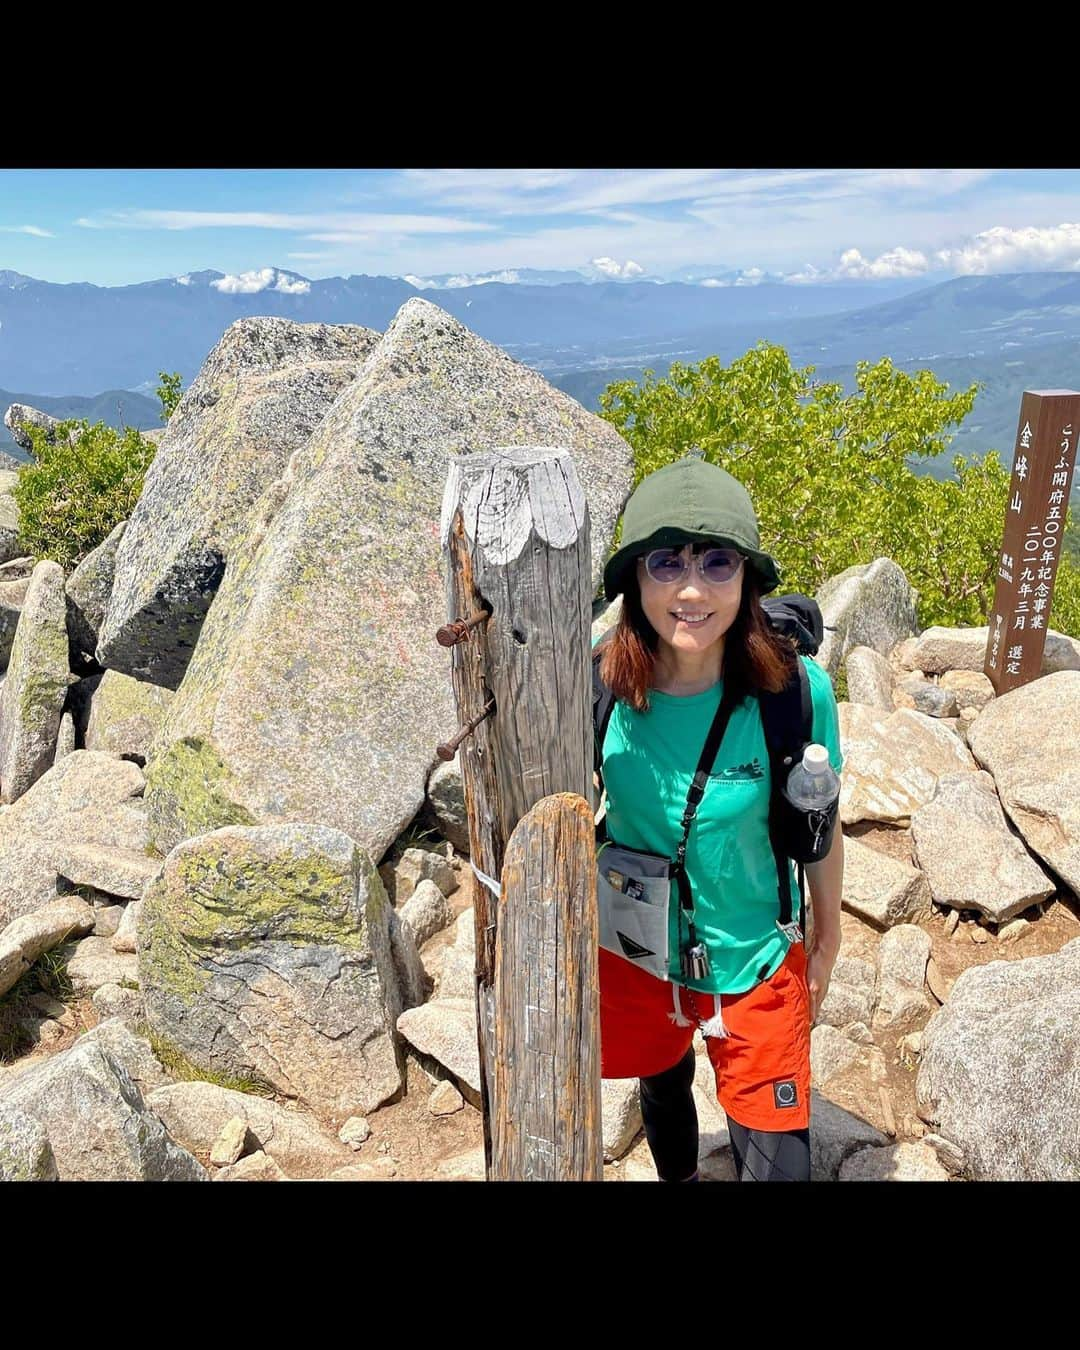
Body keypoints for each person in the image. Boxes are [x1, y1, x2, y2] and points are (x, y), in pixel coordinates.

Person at [595, 453, 844, 1182]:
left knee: (778, 1162)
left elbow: (820, 823)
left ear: (749, 578)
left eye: (718, 563)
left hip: (757, 956)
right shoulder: (598, 688)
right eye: (666, 563)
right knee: (662, 1084)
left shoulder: (794, 693)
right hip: (636, 952)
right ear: (634, 579)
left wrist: (827, 936)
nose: (693, 590)